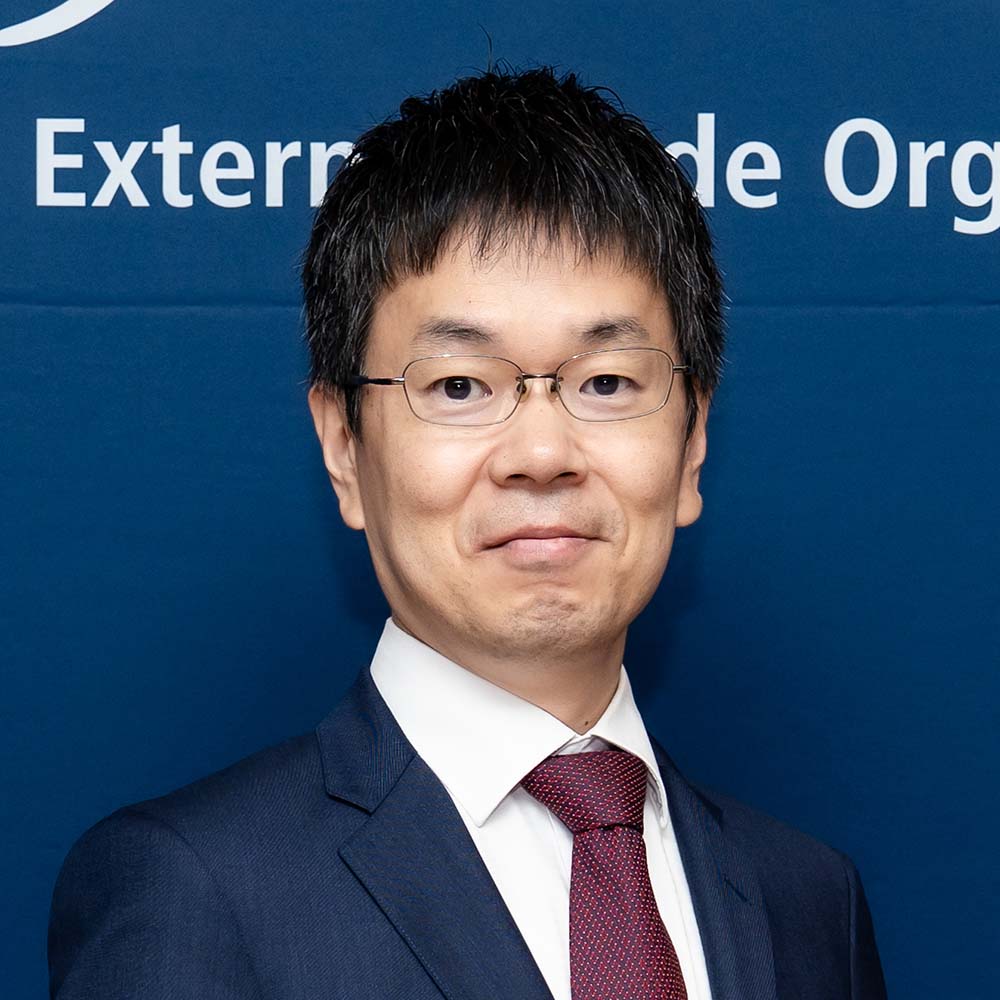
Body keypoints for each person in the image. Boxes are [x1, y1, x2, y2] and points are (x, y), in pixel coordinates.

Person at [47, 66, 888, 999]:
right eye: (459, 386)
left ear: (692, 445)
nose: (542, 453)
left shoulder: (809, 901)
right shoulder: (192, 889)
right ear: (343, 447)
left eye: (607, 382)